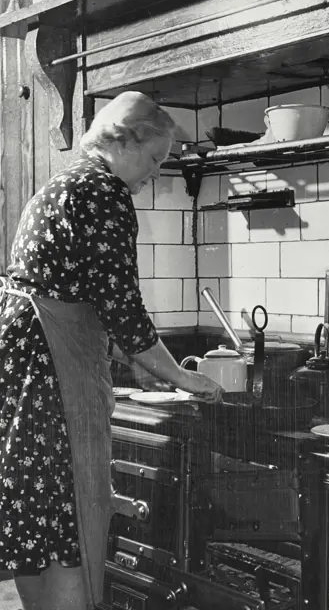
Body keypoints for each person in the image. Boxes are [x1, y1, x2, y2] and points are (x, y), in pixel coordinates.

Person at [0, 91, 223, 610]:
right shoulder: (103, 193)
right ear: (126, 139)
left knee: (44, 521)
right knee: (73, 513)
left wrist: (133, 360)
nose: (155, 174)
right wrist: (185, 378)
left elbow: (85, 295)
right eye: (154, 159)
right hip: (51, 373)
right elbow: (122, 307)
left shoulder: (62, 185)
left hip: (24, 372)